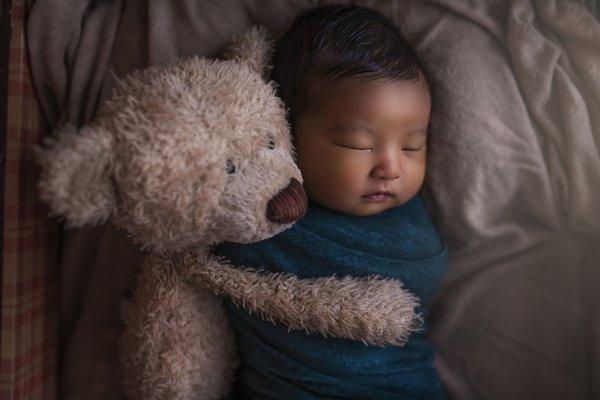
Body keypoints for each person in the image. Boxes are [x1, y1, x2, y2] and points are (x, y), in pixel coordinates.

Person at [215, 4, 448, 399]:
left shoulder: (411, 229)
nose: (390, 167)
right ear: (287, 131)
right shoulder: (261, 217)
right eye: (357, 144)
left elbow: (425, 273)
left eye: (412, 145)